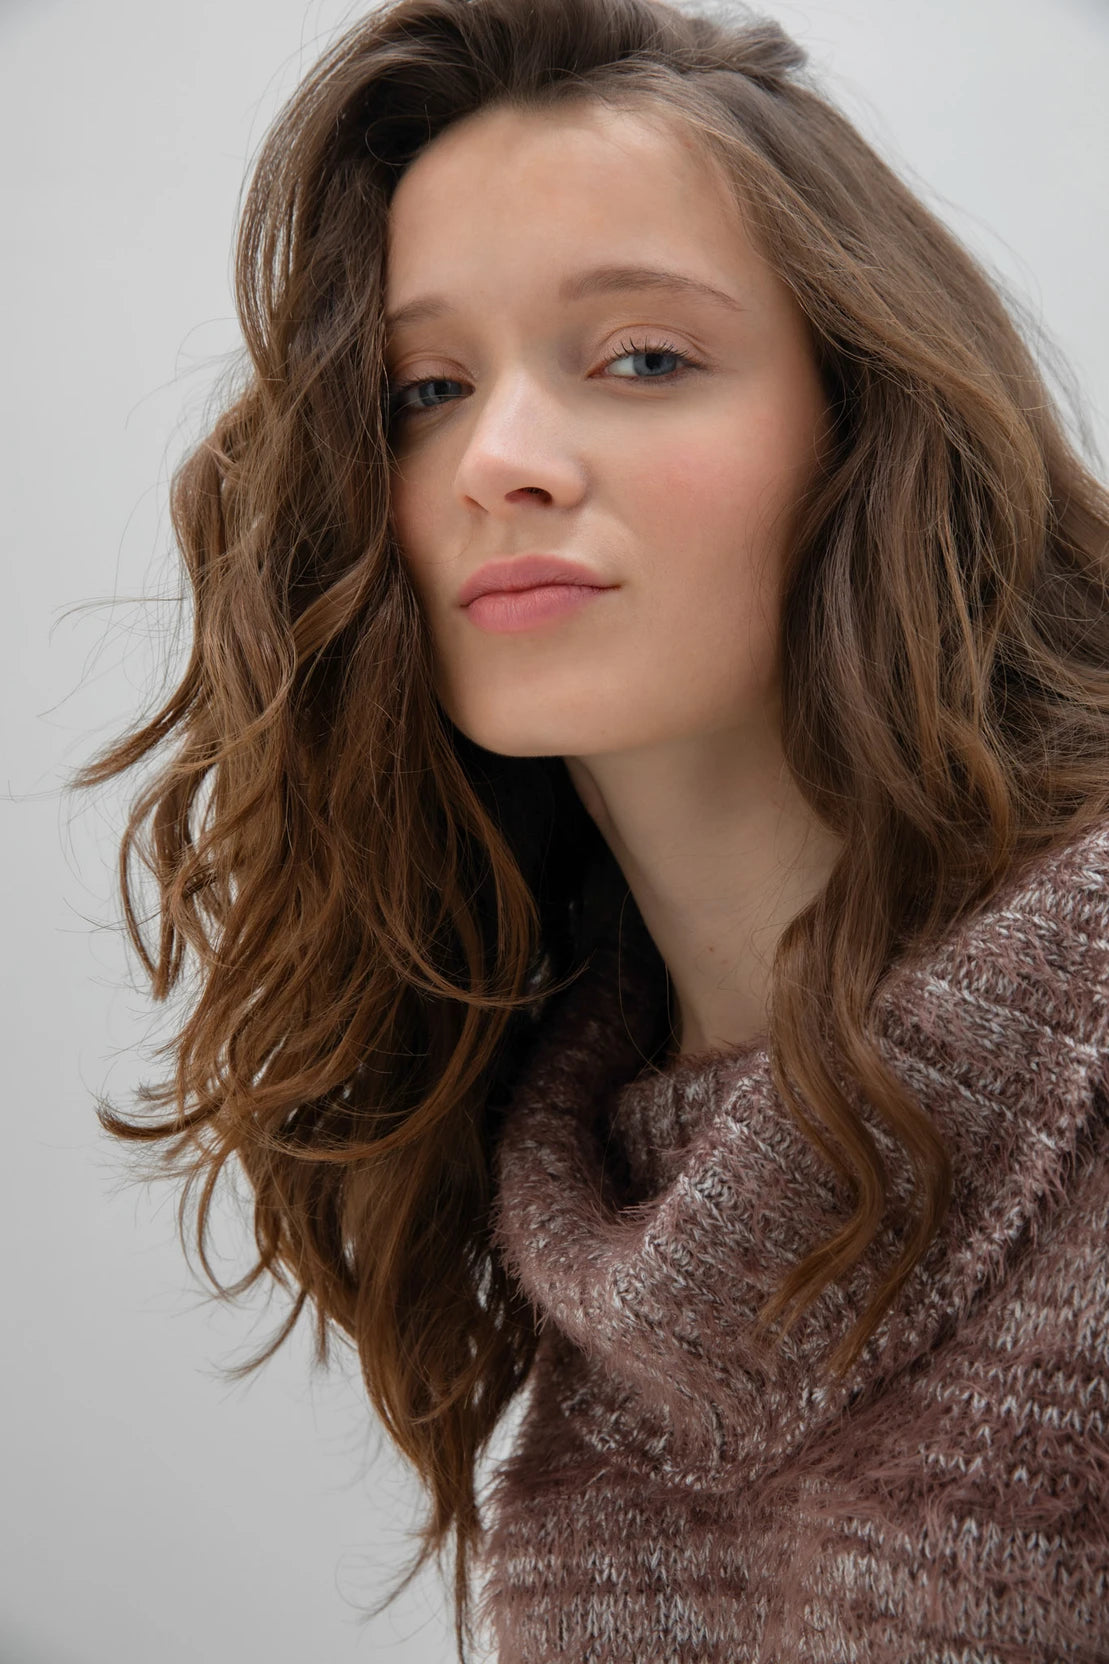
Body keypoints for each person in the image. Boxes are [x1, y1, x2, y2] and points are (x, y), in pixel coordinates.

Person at [75, 0, 1109, 1657]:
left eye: (641, 358)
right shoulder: (574, 1196)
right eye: (423, 387)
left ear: (863, 416)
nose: (499, 459)